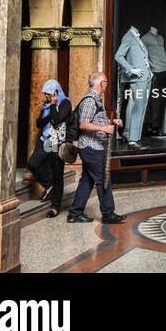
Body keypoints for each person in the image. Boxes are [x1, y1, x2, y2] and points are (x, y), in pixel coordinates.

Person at [67, 72, 125, 225]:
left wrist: (112, 122)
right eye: (106, 81)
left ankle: (75, 213)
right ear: (101, 83)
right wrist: (104, 128)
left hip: (93, 146)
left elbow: (94, 121)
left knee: (87, 180)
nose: (106, 84)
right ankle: (108, 214)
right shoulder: (90, 100)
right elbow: (83, 124)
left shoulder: (96, 99)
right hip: (91, 148)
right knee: (103, 179)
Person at [26, 79, 71, 218]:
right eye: (45, 94)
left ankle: (55, 207)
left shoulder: (65, 103)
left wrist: (52, 106)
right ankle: (48, 185)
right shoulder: (46, 105)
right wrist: (50, 107)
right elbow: (39, 123)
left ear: (56, 92)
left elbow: (57, 119)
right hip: (45, 140)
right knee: (32, 163)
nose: (46, 96)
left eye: (48, 93)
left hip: (57, 142)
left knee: (58, 175)